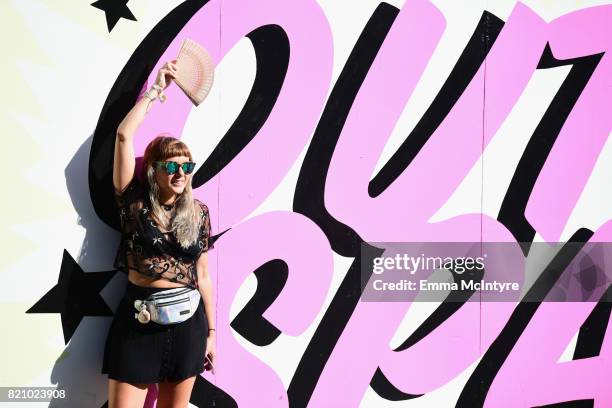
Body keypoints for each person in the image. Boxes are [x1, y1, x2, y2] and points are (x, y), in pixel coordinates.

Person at [101, 60, 216, 408]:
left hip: (188, 327)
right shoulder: (133, 203)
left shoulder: (199, 213)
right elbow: (123, 136)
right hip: (140, 320)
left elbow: (204, 276)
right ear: (154, 170)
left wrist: (211, 334)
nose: (181, 173)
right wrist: (156, 91)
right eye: (172, 165)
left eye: (187, 166)